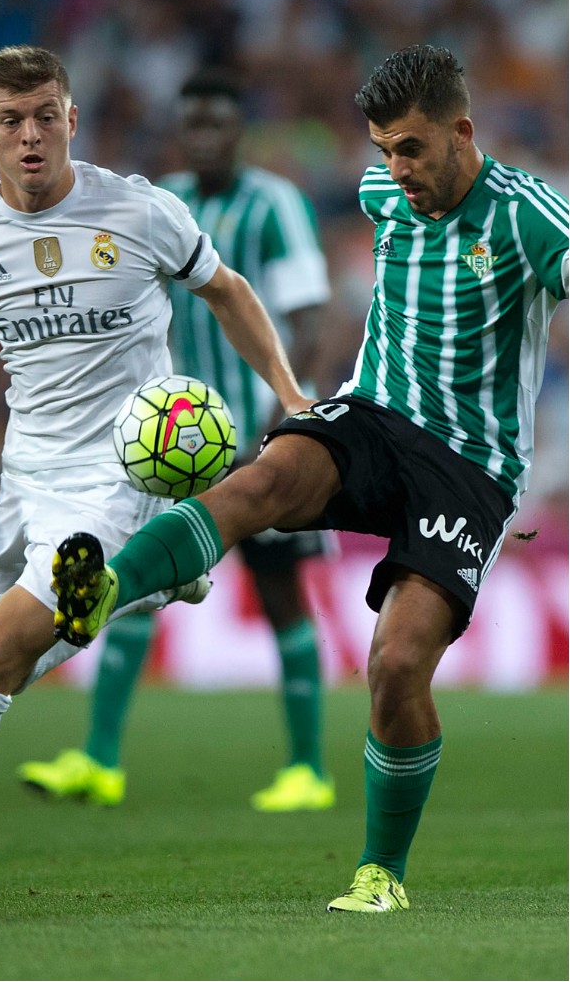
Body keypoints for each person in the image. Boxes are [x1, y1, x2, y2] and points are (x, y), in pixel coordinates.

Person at [50, 45, 567, 912]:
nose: (394, 169)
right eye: (382, 149)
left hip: (470, 466)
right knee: (264, 475)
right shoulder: (381, 196)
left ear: (462, 132)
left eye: (410, 147)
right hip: (372, 416)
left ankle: (381, 874)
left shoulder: (526, 217)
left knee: (397, 666)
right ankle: (106, 590)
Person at [0, 44, 307, 778]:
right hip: (24, 476)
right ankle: (150, 580)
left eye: (46, 117)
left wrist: (290, 394)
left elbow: (230, 291)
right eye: (12, 119)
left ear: (73, 119)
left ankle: (139, 560)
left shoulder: (138, 209)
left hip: (117, 479)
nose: (31, 135)